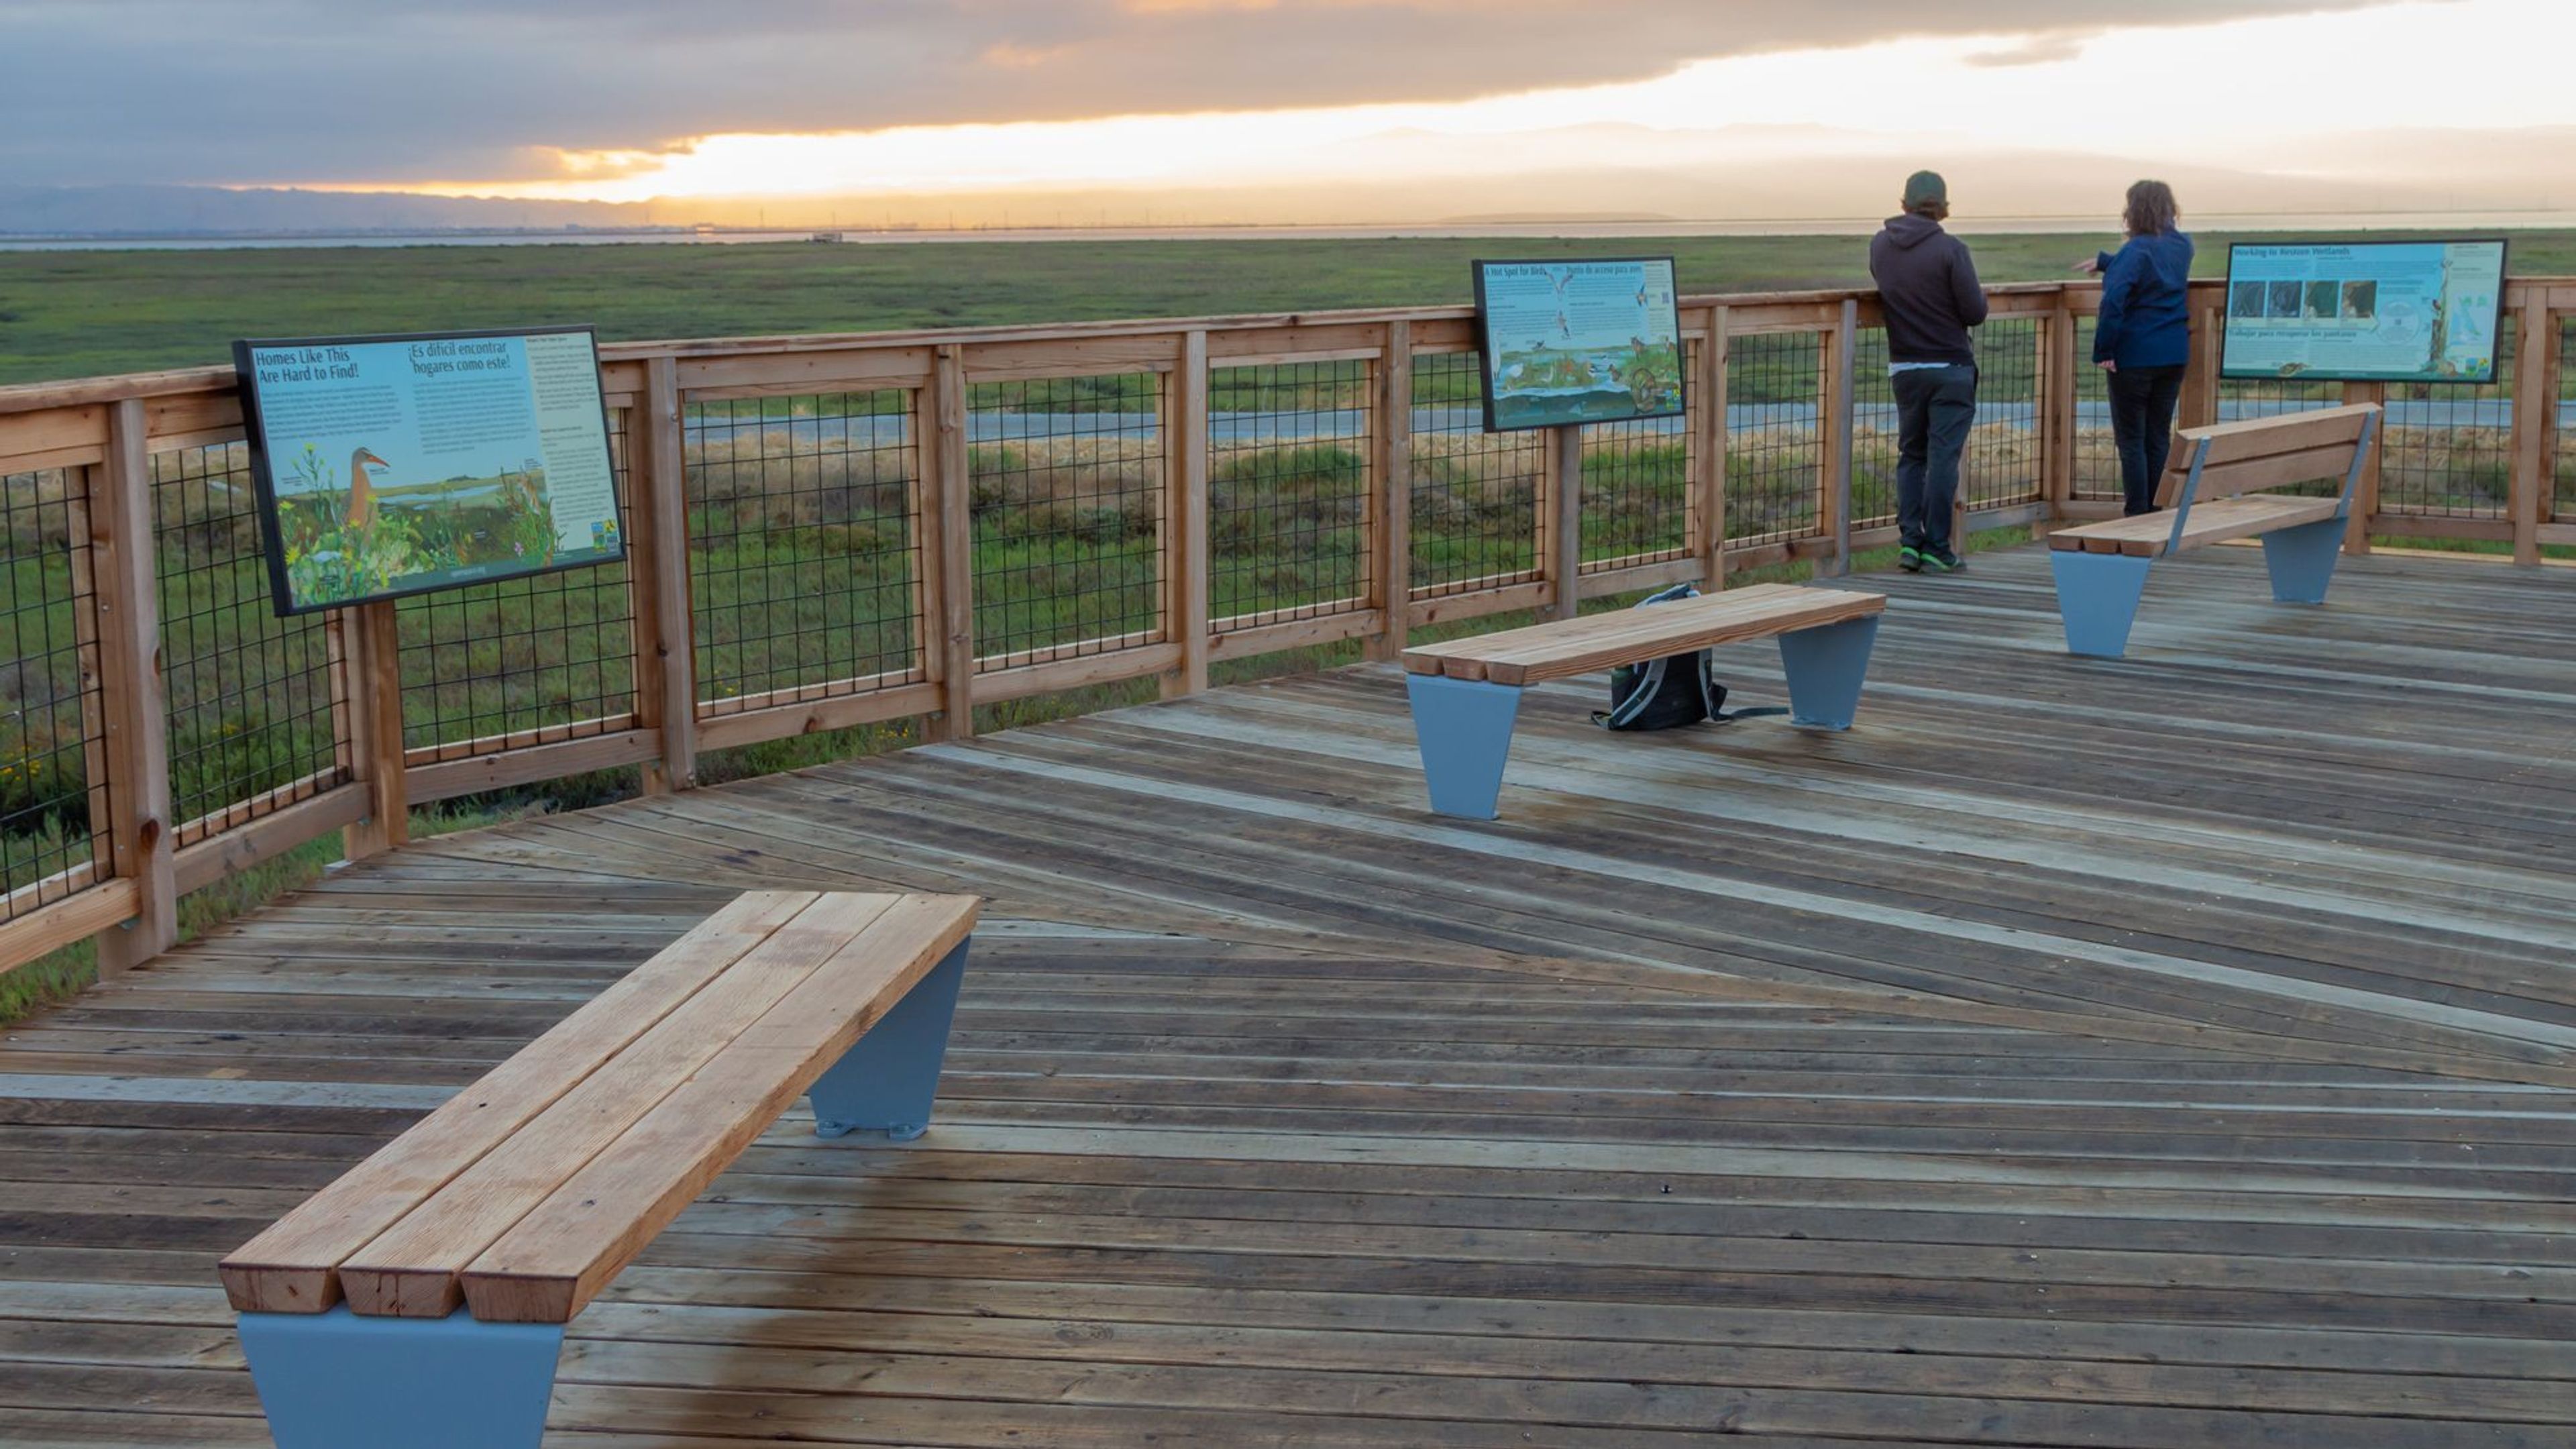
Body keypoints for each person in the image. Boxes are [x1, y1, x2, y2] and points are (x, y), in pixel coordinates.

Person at [1869, 170, 1986, 574]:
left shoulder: (1880, 244)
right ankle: (1938, 545)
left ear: (1904, 202)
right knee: (1943, 459)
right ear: (1943, 206)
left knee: (1911, 455)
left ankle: (1909, 545)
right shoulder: (1952, 250)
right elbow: (1975, 313)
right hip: (1950, 365)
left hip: (1905, 366)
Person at [2077, 180, 2194, 517]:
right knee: (2157, 437)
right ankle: (2158, 514)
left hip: (2135, 356)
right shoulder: (2184, 246)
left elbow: (2114, 301)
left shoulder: (2135, 250)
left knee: (2131, 441)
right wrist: (2107, 261)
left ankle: (2136, 516)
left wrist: (2104, 350)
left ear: (2133, 211)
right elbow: (2154, 267)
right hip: (2173, 354)